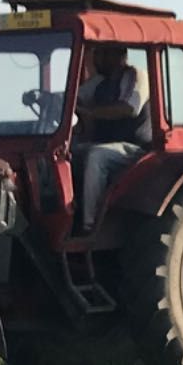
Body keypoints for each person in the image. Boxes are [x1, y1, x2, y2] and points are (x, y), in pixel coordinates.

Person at [71, 43, 151, 233]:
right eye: (97, 53)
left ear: (121, 54)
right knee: (66, 153)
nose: (97, 59)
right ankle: (67, 213)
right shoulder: (99, 81)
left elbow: (130, 108)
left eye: (103, 53)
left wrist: (91, 112)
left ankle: (90, 225)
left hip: (134, 149)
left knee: (96, 156)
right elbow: (75, 98)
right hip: (107, 144)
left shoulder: (137, 76)